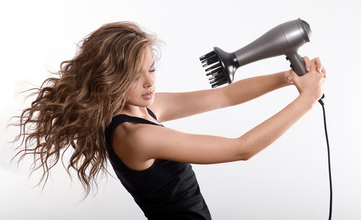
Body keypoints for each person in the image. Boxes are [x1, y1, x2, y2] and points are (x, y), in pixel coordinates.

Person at [13, 21, 327, 219]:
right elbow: (241, 149)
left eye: (151, 69)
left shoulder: (142, 109)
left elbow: (224, 97)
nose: (150, 83)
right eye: (135, 76)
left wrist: (287, 77)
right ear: (111, 78)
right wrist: (307, 100)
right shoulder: (134, 136)